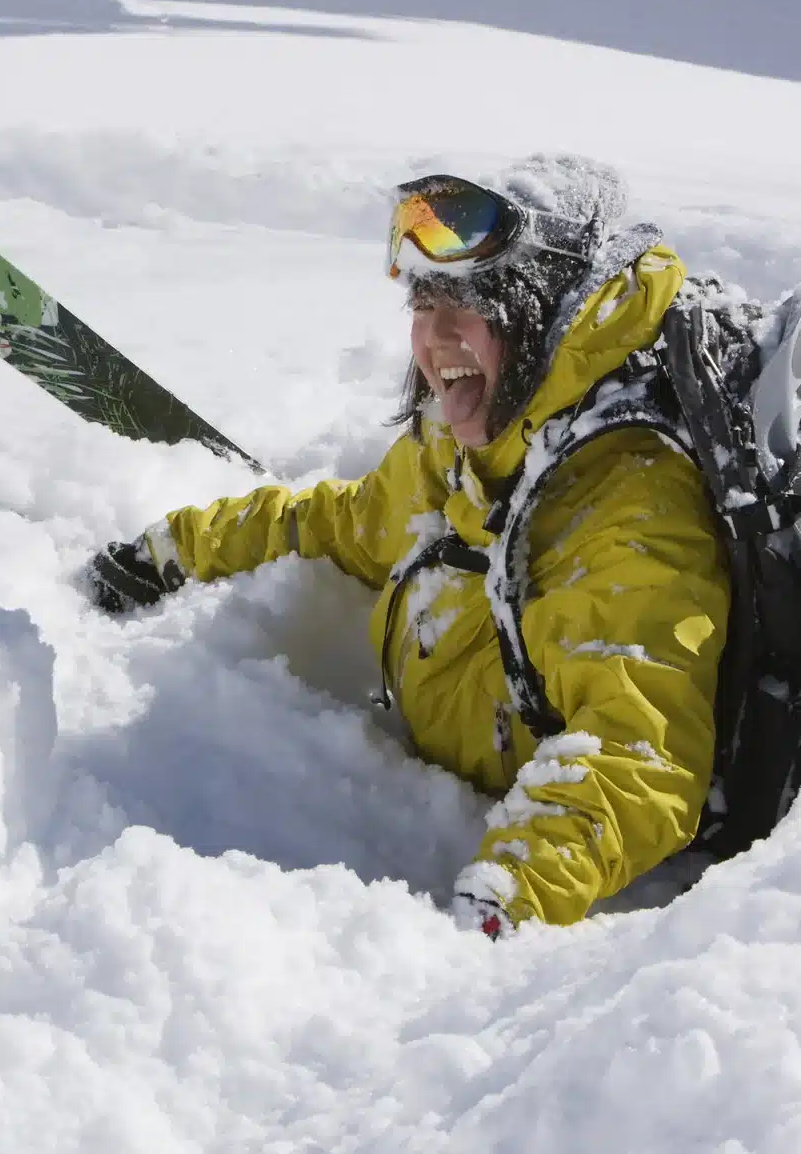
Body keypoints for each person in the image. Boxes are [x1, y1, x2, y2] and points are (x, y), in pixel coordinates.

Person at [82, 156, 730, 937]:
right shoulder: (471, 443)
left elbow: (634, 754)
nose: (435, 337)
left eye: (471, 305)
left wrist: (507, 897)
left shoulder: (626, 506)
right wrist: (179, 549)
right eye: (424, 304)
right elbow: (347, 525)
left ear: (545, 319)